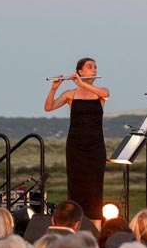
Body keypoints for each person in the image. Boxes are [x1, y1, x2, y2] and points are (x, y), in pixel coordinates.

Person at [44, 57, 110, 224]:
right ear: (80, 71)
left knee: (95, 189)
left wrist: (82, 84)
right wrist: (54, 88)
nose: (94, 70)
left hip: (95, 147)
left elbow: (105, 95)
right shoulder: (70, 94)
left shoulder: (100, 92)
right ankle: (74, 224)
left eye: (95, 67)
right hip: (75, 147)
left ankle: (96, 227)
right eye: (89, 67)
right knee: (76, 187)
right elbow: (48, 107)